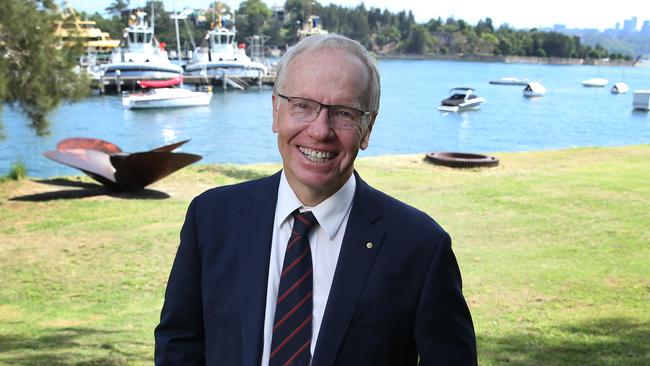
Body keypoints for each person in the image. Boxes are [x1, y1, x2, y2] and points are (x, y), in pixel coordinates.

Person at [154, 34, 477, 366]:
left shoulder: (420, 247)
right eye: (303, 106)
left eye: (344, 113)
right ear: (276, 111)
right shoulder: (212, 218)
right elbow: (179, 342)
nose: (320, 131)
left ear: (368, 128)